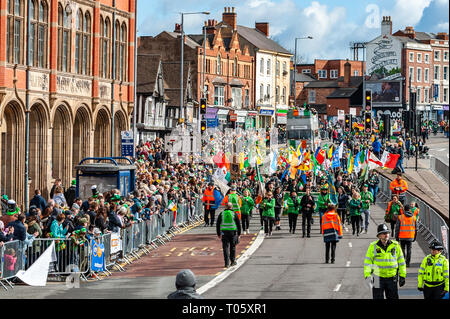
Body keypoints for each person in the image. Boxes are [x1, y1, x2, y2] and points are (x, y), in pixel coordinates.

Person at [364, 223, 407, 299]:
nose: (386, 234)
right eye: (384, 233)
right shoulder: (373, 246)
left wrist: (402, 275)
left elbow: (401, 261)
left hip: (392, 277)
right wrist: (367, 275)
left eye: (387, 232)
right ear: (379, 236)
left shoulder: (395, 245)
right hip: (377, 278)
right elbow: (368, 262)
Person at [216, 202, 241, 268]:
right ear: (231, 207)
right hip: (233, 232)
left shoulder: (222, 214)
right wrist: (239, 234)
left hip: (224, 233)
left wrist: (218, 233)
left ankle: (226, 263)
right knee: (232, 247)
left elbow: (218, 224)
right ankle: (232, 261)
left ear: (225, 207)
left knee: (225, 248)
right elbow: (238, 224)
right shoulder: (234, 214)